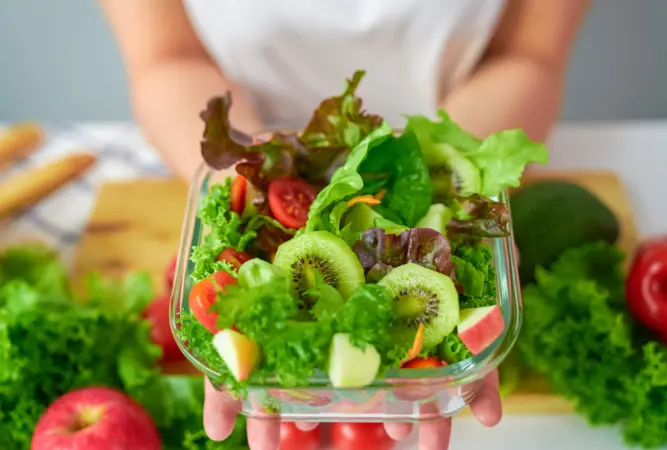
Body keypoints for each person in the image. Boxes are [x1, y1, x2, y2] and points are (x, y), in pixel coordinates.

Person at [100, 1, 590, 448]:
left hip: (459, 132)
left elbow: (528, 54)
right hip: (262, 156)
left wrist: (450, 176)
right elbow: (167, 57)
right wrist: (248, 172)